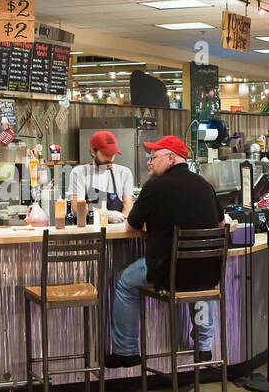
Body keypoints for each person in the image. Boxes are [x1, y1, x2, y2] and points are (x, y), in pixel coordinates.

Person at [105, 136, 222, 368]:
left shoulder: (155, 187)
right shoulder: (205, 185)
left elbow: (131, 226)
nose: (149, 162)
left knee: (124, 281)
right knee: (201, 284)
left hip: (168, 272)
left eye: (154, 157)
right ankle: (204, 347)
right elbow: (220, 225)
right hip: (209, 272)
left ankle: (127, 351)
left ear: (170, 158)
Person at [68, 130, 134, 225]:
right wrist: (104, 214)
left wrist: (121, 226)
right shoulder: (79, 173)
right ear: (93, 152)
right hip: (89, 234)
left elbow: (127, 206)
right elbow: (77, 208)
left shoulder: (124, 173)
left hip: (117, 233)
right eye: (106, 153)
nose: (110, 158)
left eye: (112, 154)